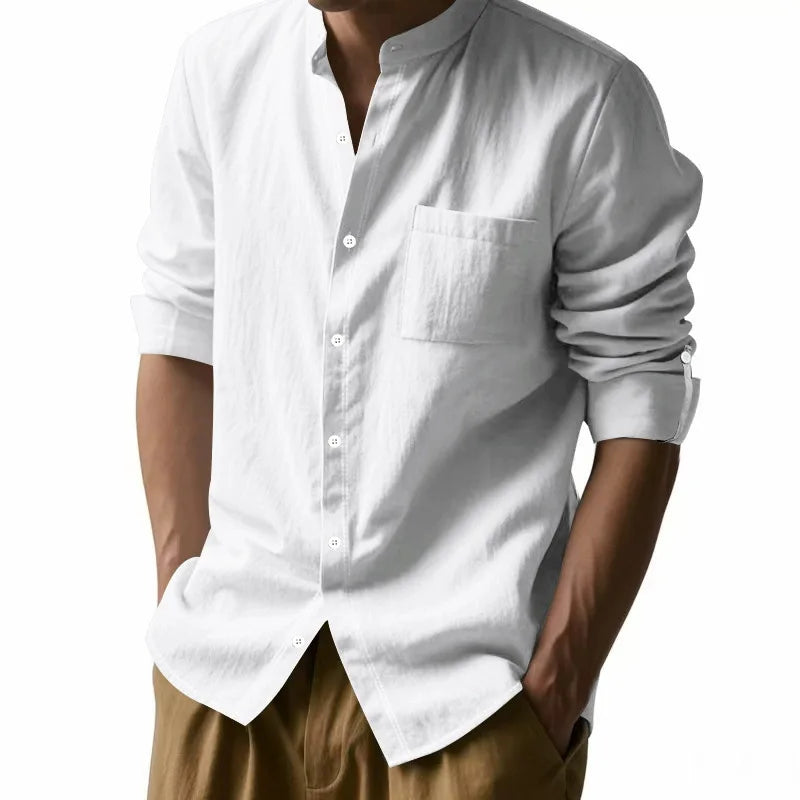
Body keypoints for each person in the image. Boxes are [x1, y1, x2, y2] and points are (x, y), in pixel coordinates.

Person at [132, 0, 702, 797]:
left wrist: (557, 687)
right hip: (228, 687)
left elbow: (640, 397)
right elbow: (179, 335)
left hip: (466, 715)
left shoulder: (586, 101)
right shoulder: (216, 72)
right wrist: (179, 591)